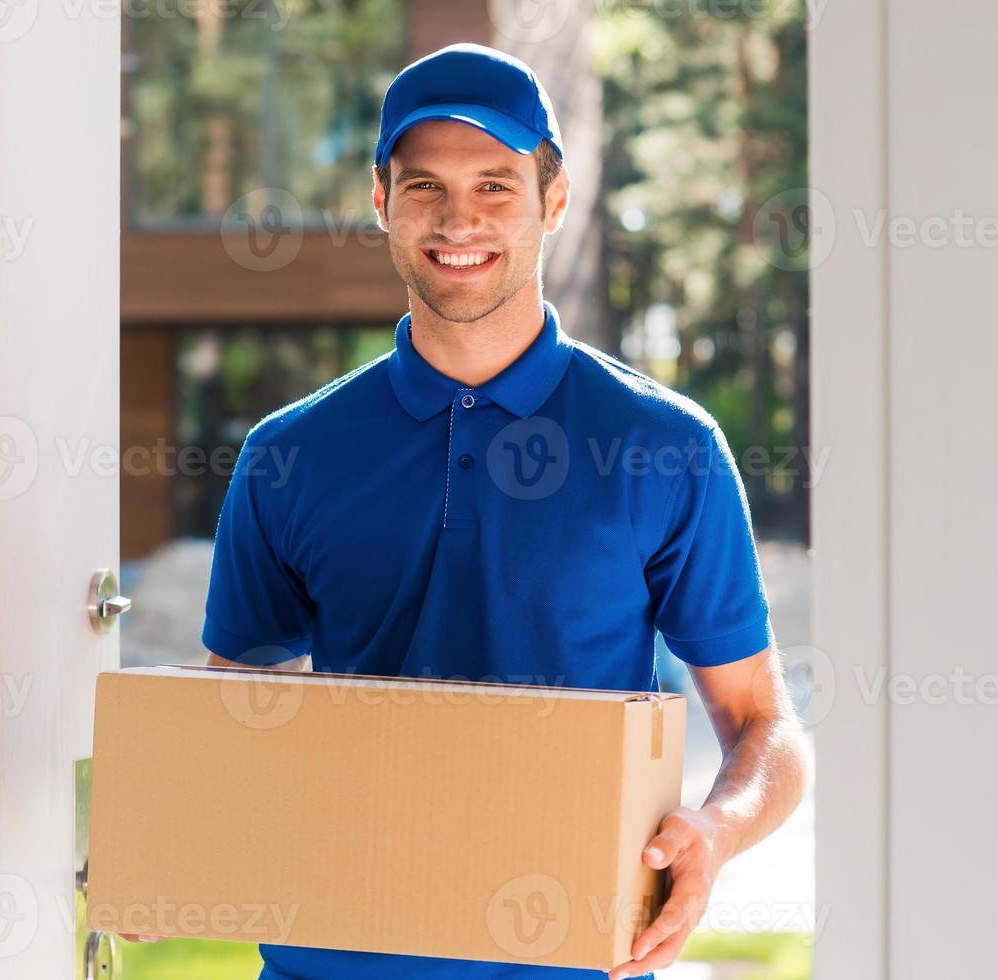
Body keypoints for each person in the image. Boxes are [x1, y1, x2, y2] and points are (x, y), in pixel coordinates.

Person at [155, 43, 808, 980]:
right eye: (424, 186)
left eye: (495, 185)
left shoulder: (664, 446)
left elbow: (763, 725)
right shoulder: (287, 454)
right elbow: (237, 713)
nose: (457, 219)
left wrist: (715, 827)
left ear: (553, 200)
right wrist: (173, 841)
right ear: (381, 202)